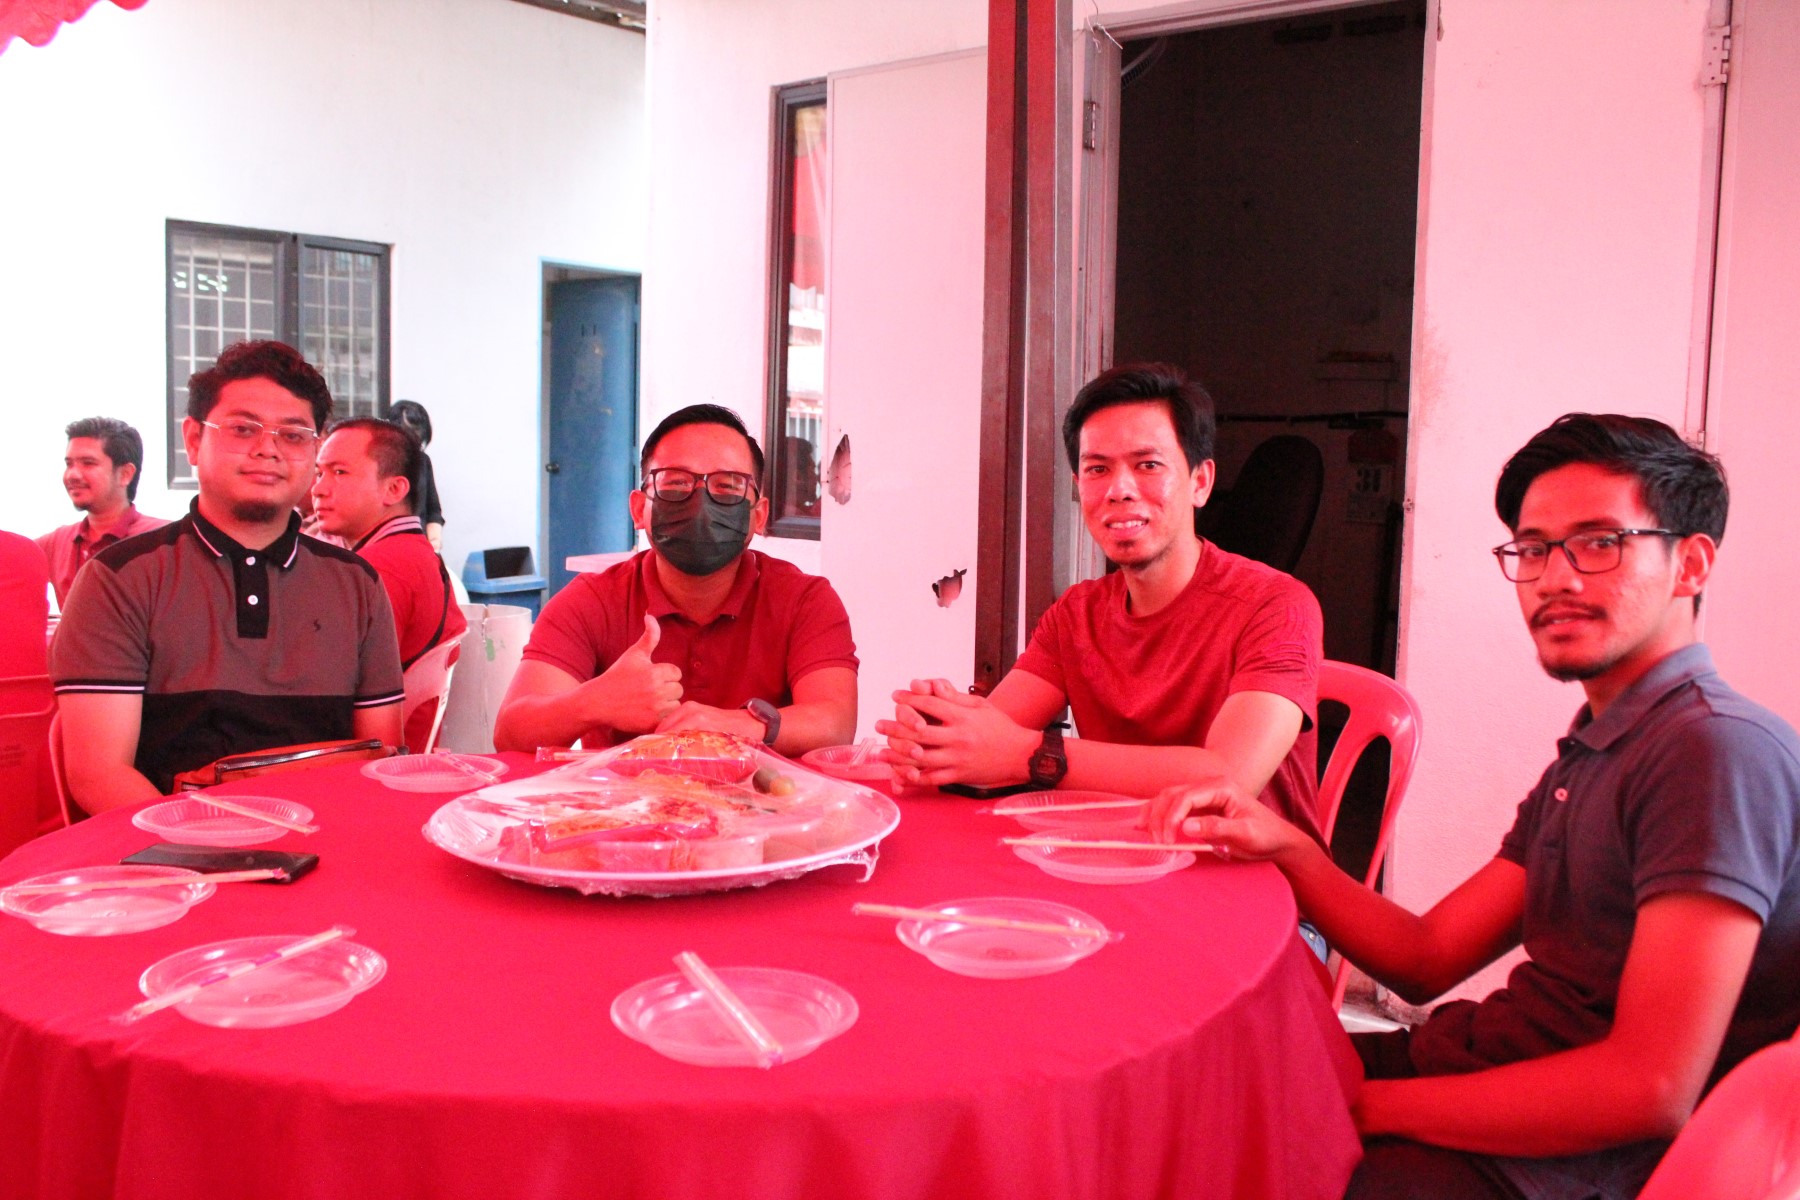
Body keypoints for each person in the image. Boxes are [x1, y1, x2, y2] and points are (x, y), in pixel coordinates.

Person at [1152, 414, 1800, 1200]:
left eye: (1599, 544)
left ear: (1691, 564)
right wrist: (1285, 843)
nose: (1555, 578)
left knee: (1232, 1151)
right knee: (1202, 1079)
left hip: (1568, 1163)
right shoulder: (1604, 740)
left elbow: (1652, 1087)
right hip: (1488, 1063)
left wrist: (1365, 1106)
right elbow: (1427, 958)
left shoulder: (1716, 750)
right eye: (1532, 549)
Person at [879, 362, 1325, 842]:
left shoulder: (1276, 606)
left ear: (1200, 481)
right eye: (1097, 469)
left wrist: (1030, 755)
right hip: (1119, 861)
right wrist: (936, 738)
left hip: (1258, 889)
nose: (1119, 489)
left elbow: (1227, 779)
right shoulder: (1076, 614)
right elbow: (994, 735)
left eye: (1148, 465)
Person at [50, 341, 404, 814]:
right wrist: (220, 850)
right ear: (194, 440)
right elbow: (99, 776)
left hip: (327, 846)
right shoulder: (119, 579)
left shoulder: (358, 583)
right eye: (243, 428)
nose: (268, 449)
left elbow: (377, 760)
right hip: (173, 859)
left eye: (294, 435)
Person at [493, 403, 857, 756]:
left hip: (772, 810)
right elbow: (511, 732)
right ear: (639, 509)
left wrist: (739, 727)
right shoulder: (593, 600)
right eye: (675, 484)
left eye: (728, 487)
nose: (700, 501)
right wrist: (593, 701)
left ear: (758, 516)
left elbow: (835, 722)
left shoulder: (805, 600)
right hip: (625, 812)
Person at [312, 417, 468, 751]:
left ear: (394, 489)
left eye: (339, 472)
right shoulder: (414, 552)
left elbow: (328, 700)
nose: (318, 489)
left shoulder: (378, 571)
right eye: (318, 472)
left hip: (365, 764)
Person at [37, 416, 168, 606]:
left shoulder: (164, 541)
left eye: (88, 463)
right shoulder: (57, 542)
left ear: (125, 474)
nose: (73, 474)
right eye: (69, 464)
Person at [389, 400, 445, 551]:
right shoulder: (379, 464)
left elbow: (433, 511)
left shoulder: (423, 462)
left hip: (421, 547)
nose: (415, 445)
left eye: (419, 440)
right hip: (389, 548)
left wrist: (434, 543)